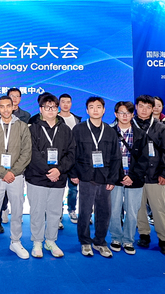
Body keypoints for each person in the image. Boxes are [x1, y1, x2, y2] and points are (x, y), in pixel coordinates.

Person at [25, 93, 75, 258]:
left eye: (54, 107)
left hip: (58, 178)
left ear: (57, 109)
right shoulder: (32, 128)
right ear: (41, 109)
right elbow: (31, 153)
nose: (51, 110)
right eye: (47, 107)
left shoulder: (66, 130)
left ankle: (51, 241)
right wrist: (48, 171)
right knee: (37, 212)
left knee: (54, 212)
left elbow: (71, 154)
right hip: (37, 178)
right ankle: (37, 242)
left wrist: (58, 170)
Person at [69, 97, 120, 258]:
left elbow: (116, 157)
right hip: (85, 176)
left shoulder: (110, 131)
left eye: (98, 107)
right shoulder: (78, 129)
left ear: (104, 110)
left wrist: (113, 179)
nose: (95, 110)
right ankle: (85, 241)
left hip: (105, 177)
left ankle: (100, 242)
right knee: (85, 212)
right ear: (87, 110)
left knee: (104, 212)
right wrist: (73, 174)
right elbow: (72, 153)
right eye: (91, 107)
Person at [0, 96, 32, 259]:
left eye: (8, 106)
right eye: (2, 106)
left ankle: (16, 241)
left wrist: (13, 171)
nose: (5, 109)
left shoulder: (22, 126)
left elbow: (27, 152)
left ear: (13, 107)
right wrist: (3, 172)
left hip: (16, 176)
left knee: (17, 210)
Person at [134, 95, 165, 256]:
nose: (144, 110)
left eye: (148, 107)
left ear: (153, 109)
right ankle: (144, 234)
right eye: (141, 106)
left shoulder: (161, 128)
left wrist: (164, 173)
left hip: (155, 175)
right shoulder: (129, 125)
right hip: (135, 176)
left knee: (159, 209)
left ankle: (164, 240)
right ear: (136, 107)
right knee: (138, 208)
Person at [108, 101, 148, 255]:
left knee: (132, 212)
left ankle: (128, 240)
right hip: (115, 179)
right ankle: (116, 238)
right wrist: (119, 176)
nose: (124, 116)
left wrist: (132, 176)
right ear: (115, 114)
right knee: (114, 210)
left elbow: (145, 159)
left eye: (128, 113)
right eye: (121, 113)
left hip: (134, 180)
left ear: (132, 115)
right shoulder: (109, 132)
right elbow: (107, 158)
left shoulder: (141, 134)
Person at [58, 93, 81, 225]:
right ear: (59, 104)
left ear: (71, 104)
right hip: (59, 160)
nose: (65, 104)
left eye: (68, 102)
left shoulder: (76, 119)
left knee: (73, 189)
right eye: (63, 102)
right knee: (58, 189)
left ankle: (72, 210)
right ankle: (58, 213)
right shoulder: (55, 118)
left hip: (74, 160)